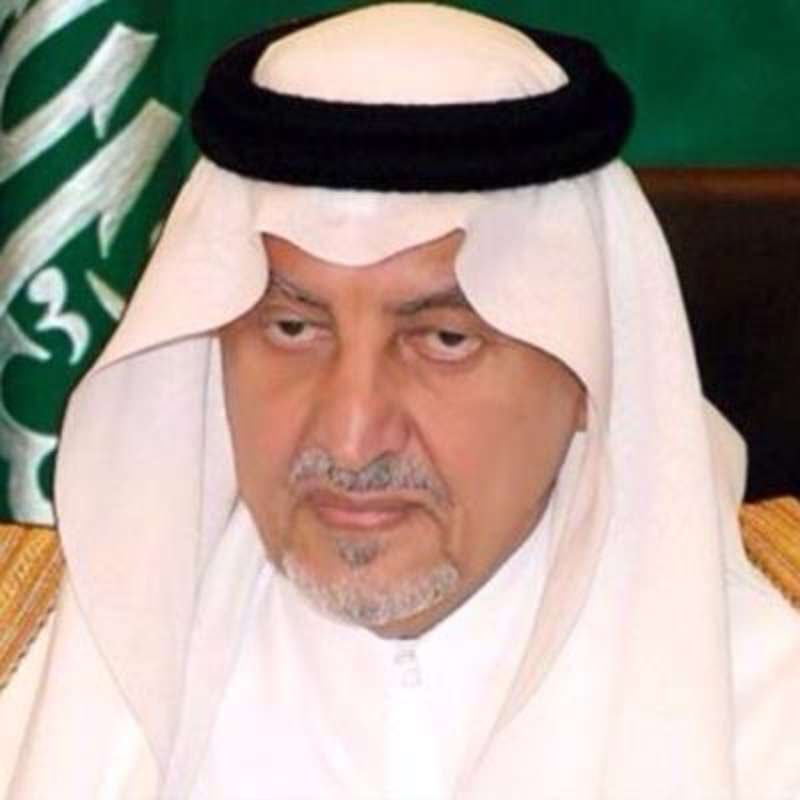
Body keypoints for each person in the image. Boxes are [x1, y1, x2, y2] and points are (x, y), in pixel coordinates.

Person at [2, 4, 799, 798]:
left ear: (596, 364)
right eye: (292, 328)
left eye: (445, 340)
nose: (351, 437)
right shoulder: (24, 667)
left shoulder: (774, 701)